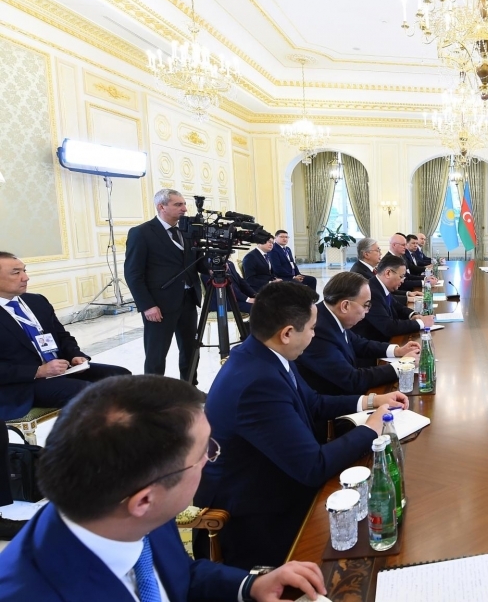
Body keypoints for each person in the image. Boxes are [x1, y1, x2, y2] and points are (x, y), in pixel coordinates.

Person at [0, 374, 329, 601]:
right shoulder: (33, 592)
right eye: (205, 452)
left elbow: (178, 575)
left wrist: (250, 585)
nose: (211, 458)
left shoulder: (127, 508)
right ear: (144, 500)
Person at [193, 282, 408, 569]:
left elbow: (313, 402)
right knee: (372, 532)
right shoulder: (257, 383)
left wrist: (371, 401)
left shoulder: (266, 352)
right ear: (287, 333)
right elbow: (313, 467)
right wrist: (370, 429)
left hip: (283, 475)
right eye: (311, 328)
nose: (314, 335)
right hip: (257, 516)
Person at [0, 252, 130, 536]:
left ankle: (119, 447)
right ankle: (75, 463)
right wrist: (37, 371)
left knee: (119, 376)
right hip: (21, 383)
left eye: (24, 270)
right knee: (82, 394)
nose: (25, 277)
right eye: (16, 273)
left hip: (59, 369)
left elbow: (62, 336)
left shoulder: (36, 301)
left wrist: (75, 356)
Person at [124, 189, 204, 380]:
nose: (184, 209)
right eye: (178, 204)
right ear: (161, 207)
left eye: (184, 204)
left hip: (188, 300)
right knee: (157, 354)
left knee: (191, 349)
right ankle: (154, 393)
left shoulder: (187, 231)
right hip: (159, 304)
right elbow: (133, 274)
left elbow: (197, 262)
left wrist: (215, 263)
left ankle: (189, 387)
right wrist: (147, 305)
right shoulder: (141, 233)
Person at [297, 272, 421, 395]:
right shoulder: (317, 331)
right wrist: (402, 365)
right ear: (345, 306)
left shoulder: (330, 314)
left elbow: (359, 343)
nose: (367, 311)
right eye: (366, 305)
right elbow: (353, 380)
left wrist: (397, 350)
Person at [352, 254, 434, 342]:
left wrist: (413, 315)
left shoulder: (379, 286)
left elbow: (398, 306)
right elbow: (388, 327)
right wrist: (421, 323)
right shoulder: (371, 292)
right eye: (401, 277)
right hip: (375, 344)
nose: (403, 281)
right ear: (388, 273)